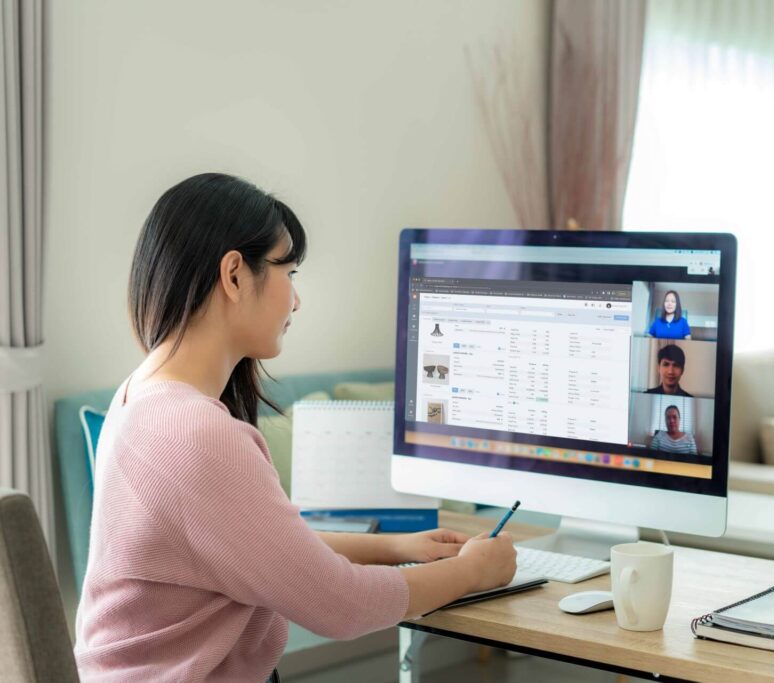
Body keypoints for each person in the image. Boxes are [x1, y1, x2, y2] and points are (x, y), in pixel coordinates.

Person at [73, 173, 517, 682]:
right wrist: (474, 572)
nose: (296, 300)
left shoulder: (142, 394)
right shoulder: (196, 435)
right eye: (290, 272)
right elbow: (341, 604)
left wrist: (395, 548)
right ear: (235, 274)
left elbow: (267, 546)